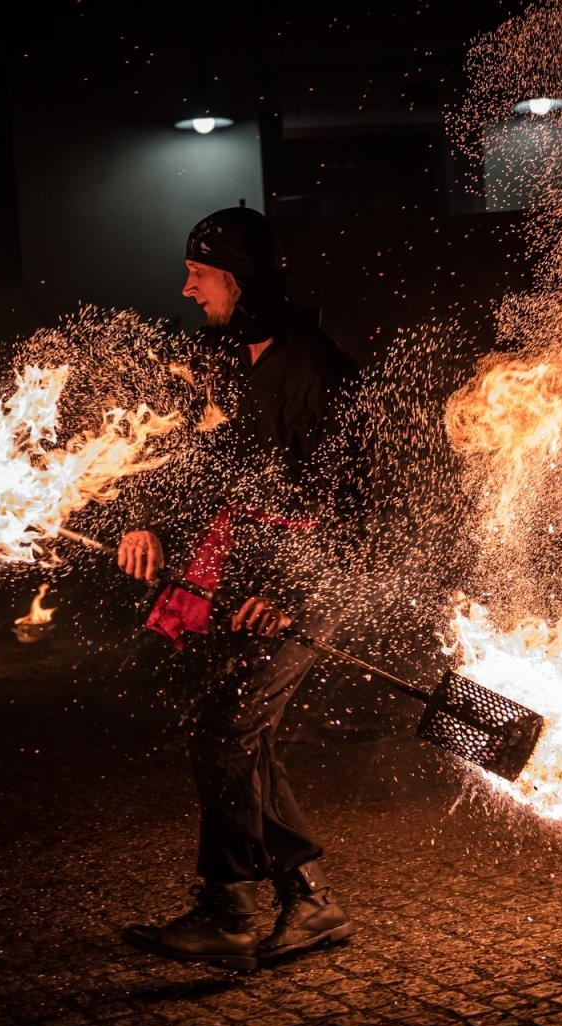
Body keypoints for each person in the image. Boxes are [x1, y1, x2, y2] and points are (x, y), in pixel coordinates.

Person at [116, 206, 363, 971]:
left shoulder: (317, 369)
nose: (186, 288)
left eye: (200, 274)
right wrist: (143, 518)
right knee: (241, 734)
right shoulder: (215, 356)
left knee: (225, 732)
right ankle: (309, 901)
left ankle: (227, 909)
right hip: (247, 575)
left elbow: (356, 504)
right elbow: (162, 441)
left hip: (310, 582)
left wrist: (289, 594)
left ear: (242, 279)